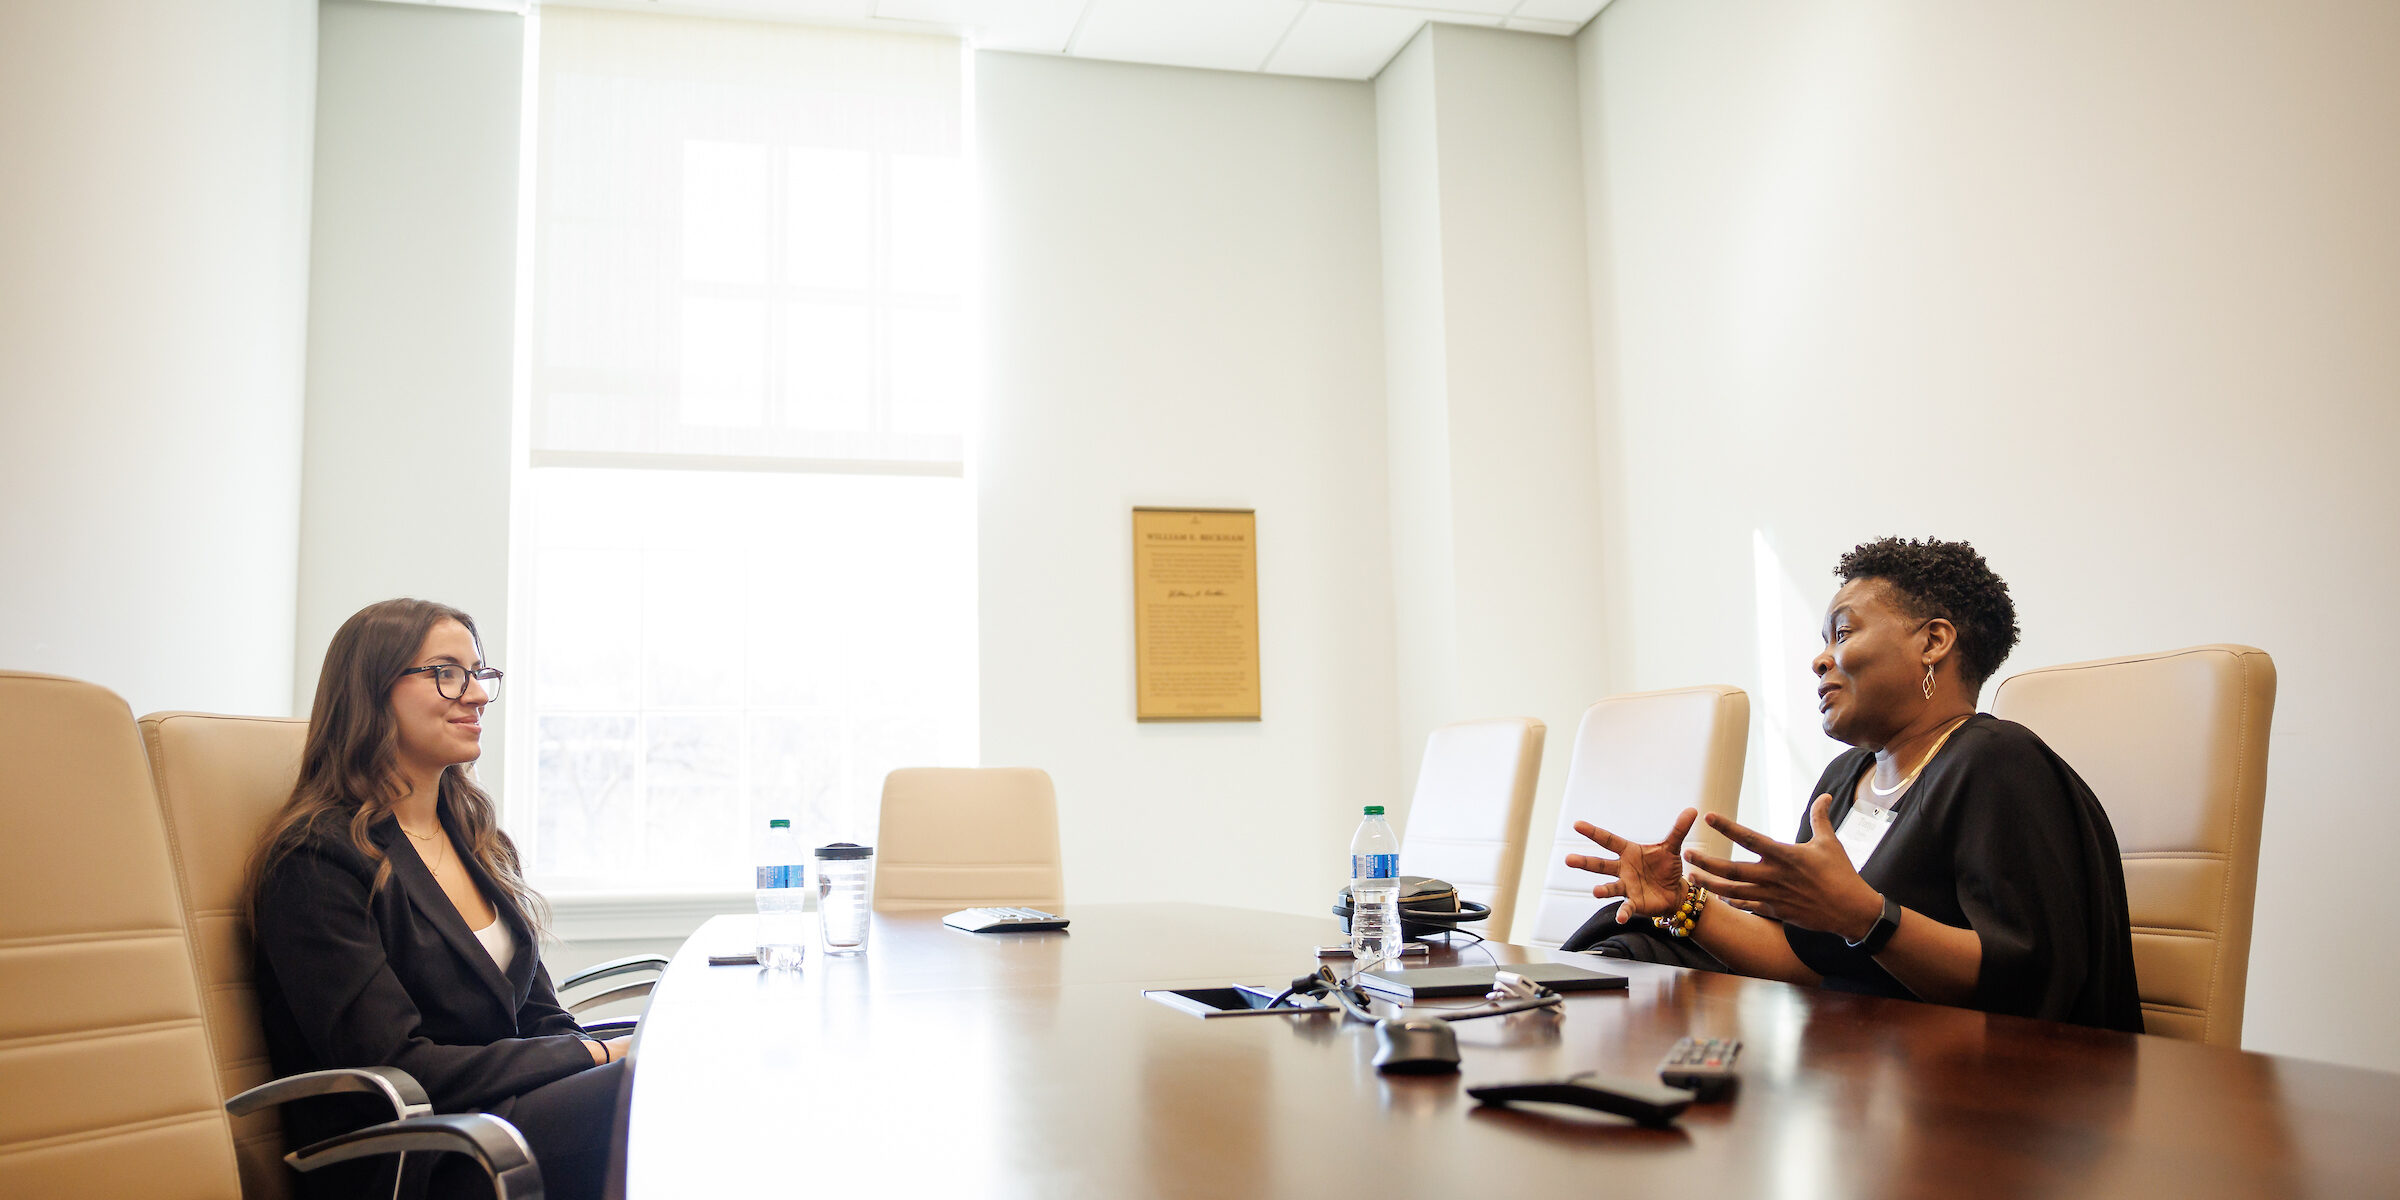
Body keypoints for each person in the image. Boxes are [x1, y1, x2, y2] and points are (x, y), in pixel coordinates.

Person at [1561, 537, 2143, 1032]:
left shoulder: (1995, 762)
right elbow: (1806, 961)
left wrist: (1863, 916)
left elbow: (2022, 979)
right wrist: (1683, 905)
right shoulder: (1843, 779)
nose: (1820, 660)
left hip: (1982, 1096)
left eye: (1842, 633)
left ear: (1933, 643)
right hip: (1859, 1068)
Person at [249, 598, 624, 1199]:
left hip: (509, 1112)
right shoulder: (317, 860)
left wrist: (604, 1047)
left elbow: (539, 1017)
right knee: (661, 1087)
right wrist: (598, 1055)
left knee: (672, 1068)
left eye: (478, 675)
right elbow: (400, 1066)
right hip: (424, 1150)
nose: (475, 694)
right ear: (372, 690)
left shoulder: (476, 837)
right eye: (447, 673)